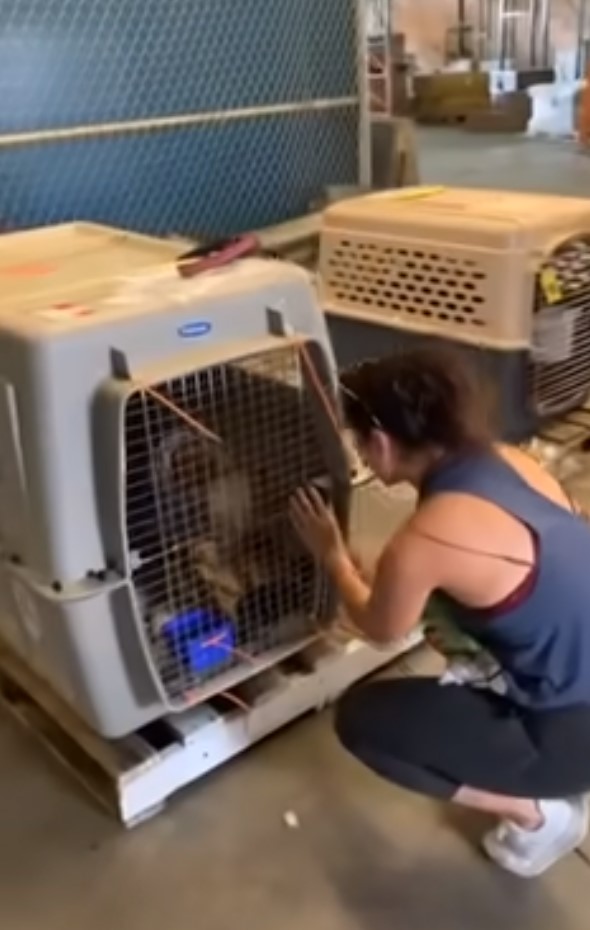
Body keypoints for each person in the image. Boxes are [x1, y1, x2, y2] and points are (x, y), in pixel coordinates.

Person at [289, 347, 590, 879]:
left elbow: (381, 629)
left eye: (360, 443)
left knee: (364, 721)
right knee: (449, 610)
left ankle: (541, 815)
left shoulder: (426, 538)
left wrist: (334, 558)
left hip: (572, 732)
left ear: (380, 443)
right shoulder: (508, 458)